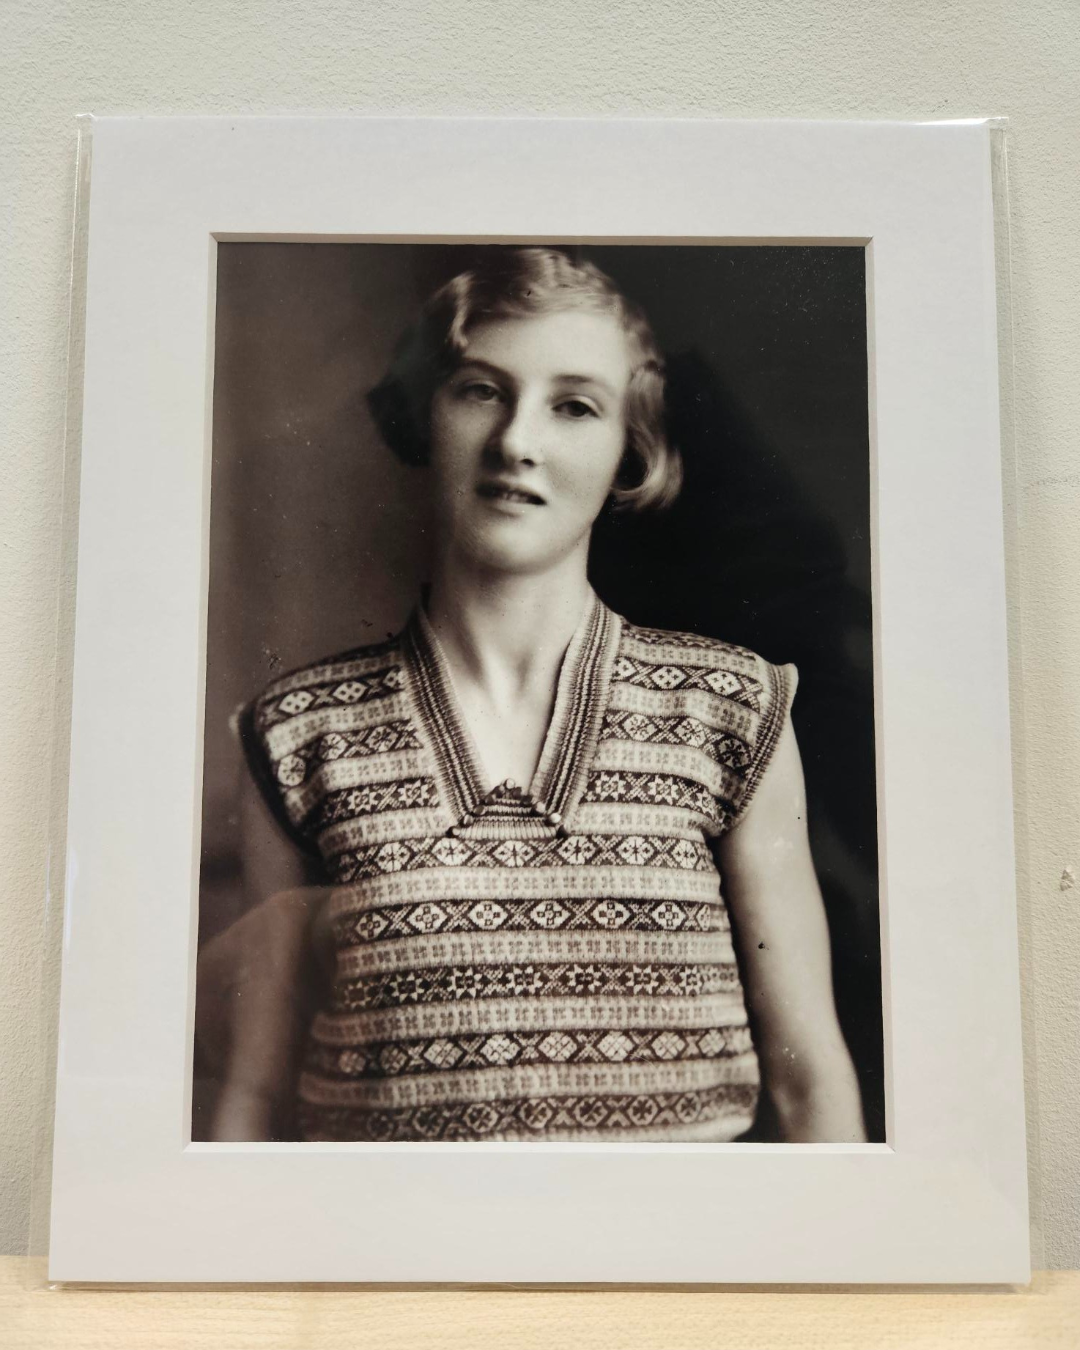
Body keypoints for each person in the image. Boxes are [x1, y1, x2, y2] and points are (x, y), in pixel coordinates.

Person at [200, 246, 866, 1144]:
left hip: (676, 1266)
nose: (518, 440)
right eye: (480, 389)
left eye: (574, 406)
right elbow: (255, 1096)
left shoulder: (729, 712)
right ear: (423, 413)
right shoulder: (297, 734)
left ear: (632, 446)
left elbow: (811, 1084)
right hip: (402, 1270)